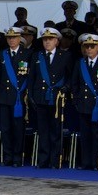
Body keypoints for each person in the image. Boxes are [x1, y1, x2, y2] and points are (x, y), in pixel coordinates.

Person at [29, 28, 70, 168]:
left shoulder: (65, 56)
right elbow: (31, 78)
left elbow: (70, 77)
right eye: (45, 39)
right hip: (40, 98)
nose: (47, 42)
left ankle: (54, 160)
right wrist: (31, 95)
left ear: (57, 41)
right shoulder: (37, 56)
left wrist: (65, 88)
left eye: (50, 39)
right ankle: (43, 159)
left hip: (57, 99)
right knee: (43, 131)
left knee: (55, 131)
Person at [71, 33, 98, 170]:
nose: (89, 49)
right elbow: (74, 83)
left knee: (96, 134)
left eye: (92, 46)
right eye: (86, 46)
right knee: (85, 134)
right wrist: (76, 100)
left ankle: (95, 162)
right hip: (83, 104)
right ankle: (85, 162)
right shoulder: (79, 63)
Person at [0, 27, 30, 167]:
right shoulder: (2, 55)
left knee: (18, 129)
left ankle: (17, 158)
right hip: (4, 97)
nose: (11, 40)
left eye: (14, 37)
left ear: (19, 38)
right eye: (9, 37)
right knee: (6, 129)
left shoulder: (27, 54)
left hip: (18, 98)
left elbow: (28, 76)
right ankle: (7, 157)